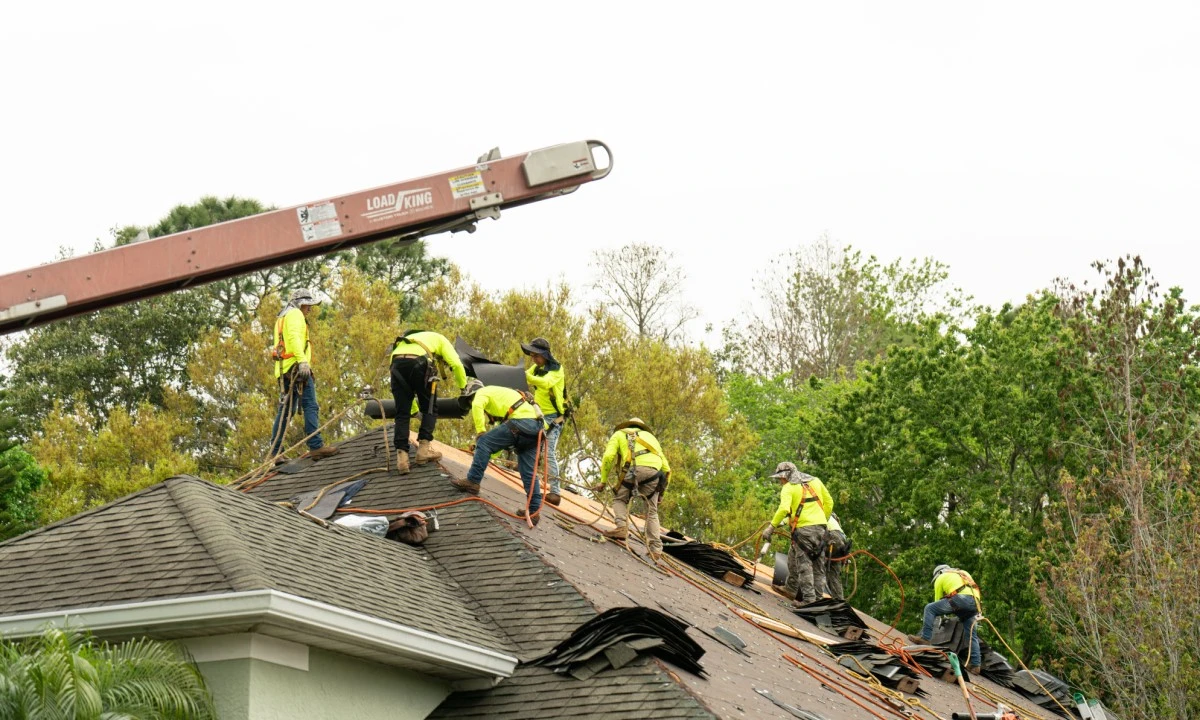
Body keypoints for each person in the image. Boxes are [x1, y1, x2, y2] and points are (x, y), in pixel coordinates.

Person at [449, 379, 546, 522]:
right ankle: (534, 512)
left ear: (471, 394)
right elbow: (494, 448)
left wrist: (481, 433)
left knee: (484, 440)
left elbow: (477, 405)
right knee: (529, 473)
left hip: (522, 422)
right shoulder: (504, 399)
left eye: (469, 402)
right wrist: (481, 450)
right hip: (536, 430)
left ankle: (473, 481)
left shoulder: (482, 392)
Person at [268, 288, 338, 462]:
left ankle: (275, 452)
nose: (310, 308)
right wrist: (302, 361)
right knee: (310, 405)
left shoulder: (282, 317)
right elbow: (294, 338)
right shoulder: (295, 315)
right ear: (300, 303)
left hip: (285, 368)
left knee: (286, 410)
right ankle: (316, 446)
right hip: (296, 368)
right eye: (308, 304)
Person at [389, 330, 467, 474]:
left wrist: (413, 410)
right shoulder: (440, 338)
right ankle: (423, 451)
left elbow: (404, 392)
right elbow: (456, 364)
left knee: (401, 413)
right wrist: (464, 388)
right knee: (430, 408)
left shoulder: (405, 341)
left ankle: (402, 460)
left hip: (396, 364)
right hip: (420, 362)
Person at [760, 462, 833, 605]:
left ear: (785, 476)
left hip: (804, 531)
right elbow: (829, 502)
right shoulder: (816, 481)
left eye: (780, 479)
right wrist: (821, 520)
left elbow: (783, 509)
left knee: (804, 566)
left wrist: (771, 527)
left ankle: (809, 602)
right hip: (821, 530)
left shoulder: (788, 488)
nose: (780, 482)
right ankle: (818, 603)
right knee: (818, 567)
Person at [598, 418, 670, 561]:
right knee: (652, 511)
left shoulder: (619, 434)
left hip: (633, 469)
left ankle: (622, 527)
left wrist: (603, 481)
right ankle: (655, 549)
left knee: (620, 499)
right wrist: (661, 493)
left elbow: (608, 457)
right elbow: (667, 469)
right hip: (655, 474)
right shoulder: (651, 438)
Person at [907, 565, 983, 673]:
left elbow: (937, 602)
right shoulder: (963, 573)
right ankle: (975, 665)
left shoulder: (941, 577)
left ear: (939, 573)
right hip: (975, 604)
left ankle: (925, 638)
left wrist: (942, 617)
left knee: (929, 608)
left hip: (961, 599)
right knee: (971, 635)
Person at [522, 337, 566, 506]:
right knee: (528, 446)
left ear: (545, 355)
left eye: (536, 356)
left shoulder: (556, 369)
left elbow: (546, 383)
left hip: (553, 418)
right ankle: (533, 481)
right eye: (532, 356)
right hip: (537, 414)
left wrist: (527, 377)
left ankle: (555, 492)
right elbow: (526, 376)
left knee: (549, 453)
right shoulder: (536, 368)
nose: (534, 359)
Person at [824, 513, 851, 601]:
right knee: (834, 576)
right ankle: (839, 602)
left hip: (832, 537)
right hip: (841, 542)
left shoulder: (822, 513)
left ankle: (811, 596)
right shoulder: (837, 524)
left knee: (814, 563)